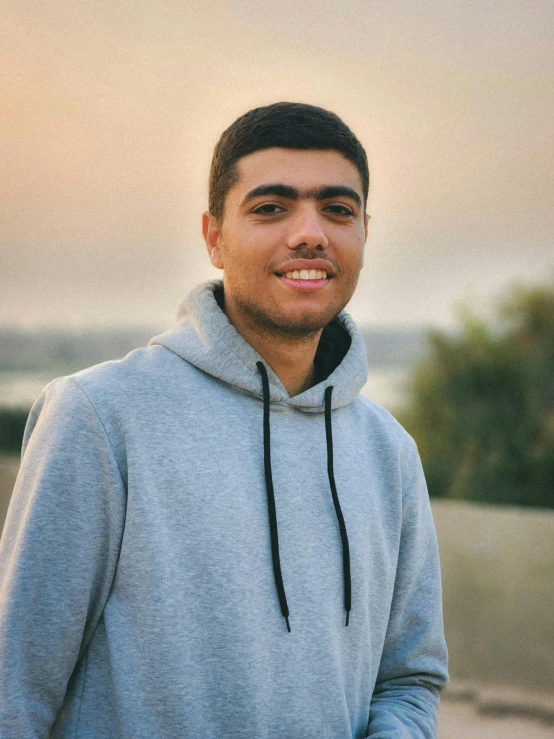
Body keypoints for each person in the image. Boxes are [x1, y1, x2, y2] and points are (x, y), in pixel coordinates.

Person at [0, 102, 448, 738]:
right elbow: (13, 689)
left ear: (365, 233)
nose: (310, 233)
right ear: (214, 237)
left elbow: (410, 679)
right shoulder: (100, 418)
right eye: (271, 207)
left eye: (337, 209)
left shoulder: (389, 452)